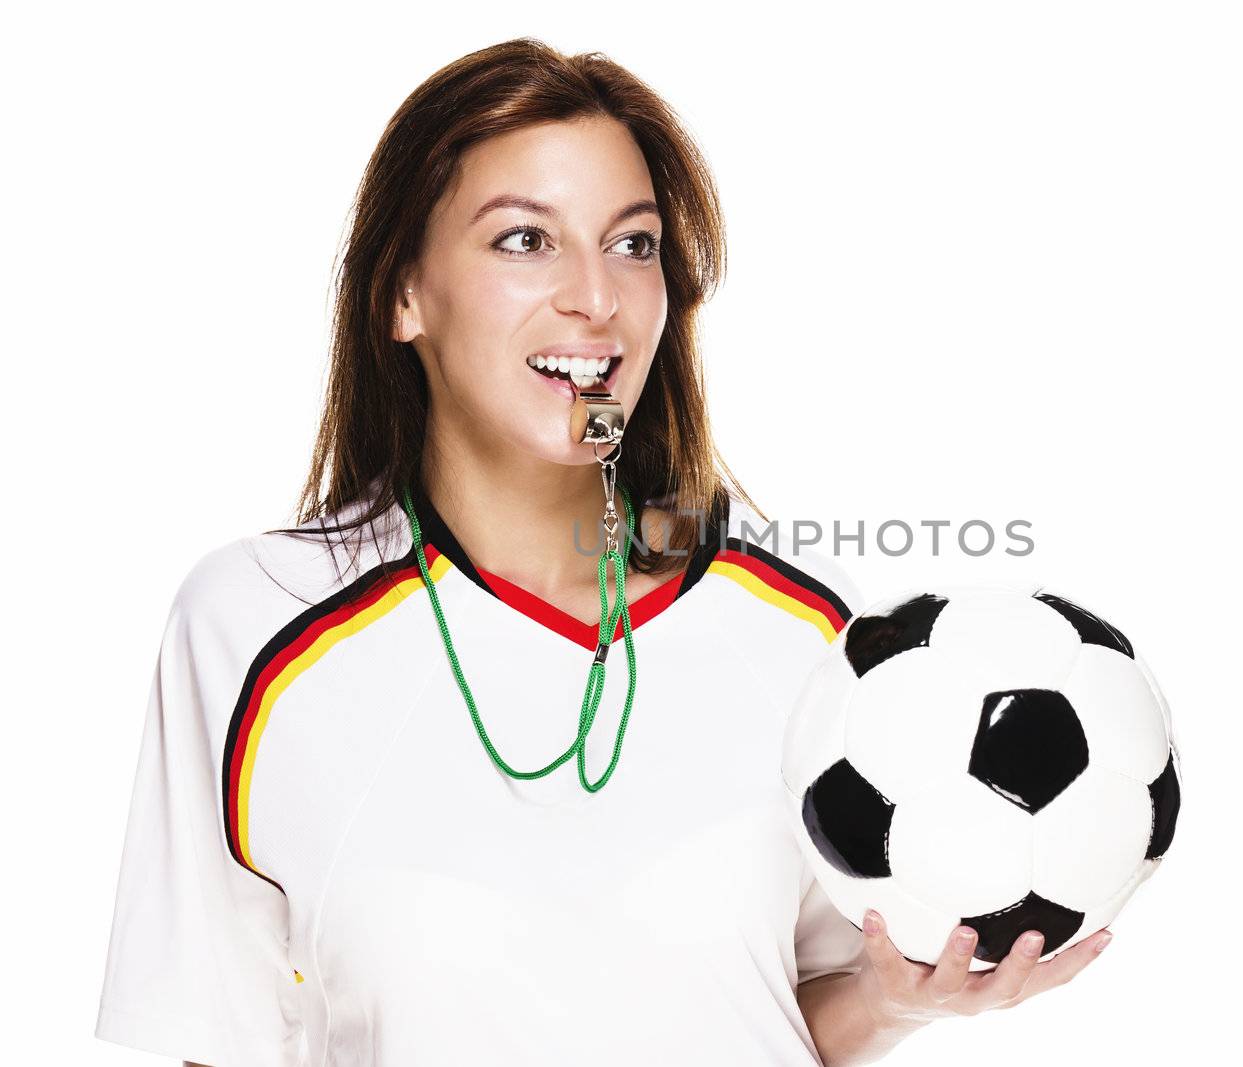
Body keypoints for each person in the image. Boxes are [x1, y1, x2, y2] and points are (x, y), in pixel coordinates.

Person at [92, 37, 1112, 1067]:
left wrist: (896, 1002)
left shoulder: (799, 619)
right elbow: (215, 1038)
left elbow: (763, 1015)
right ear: (404, 293)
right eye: (524, 240)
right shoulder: (253, 623)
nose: (597, 296)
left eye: (632, 244)